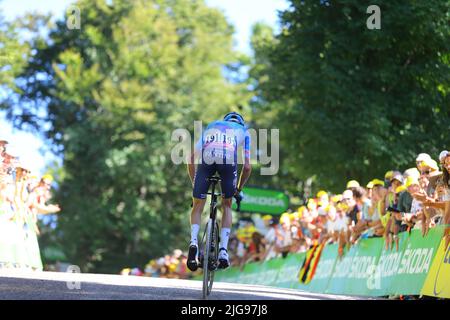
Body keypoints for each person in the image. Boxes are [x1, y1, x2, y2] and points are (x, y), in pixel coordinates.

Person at [186, 112, 252, 271]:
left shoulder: (212, 126)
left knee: (198, 205)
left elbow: (190, 159)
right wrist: (238, 190)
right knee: (227, 205)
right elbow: (248, 166)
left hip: (207, 159)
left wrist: (195, 184)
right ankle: (223, 251)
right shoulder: (244, 131)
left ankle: (193, 241)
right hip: (228, 160)